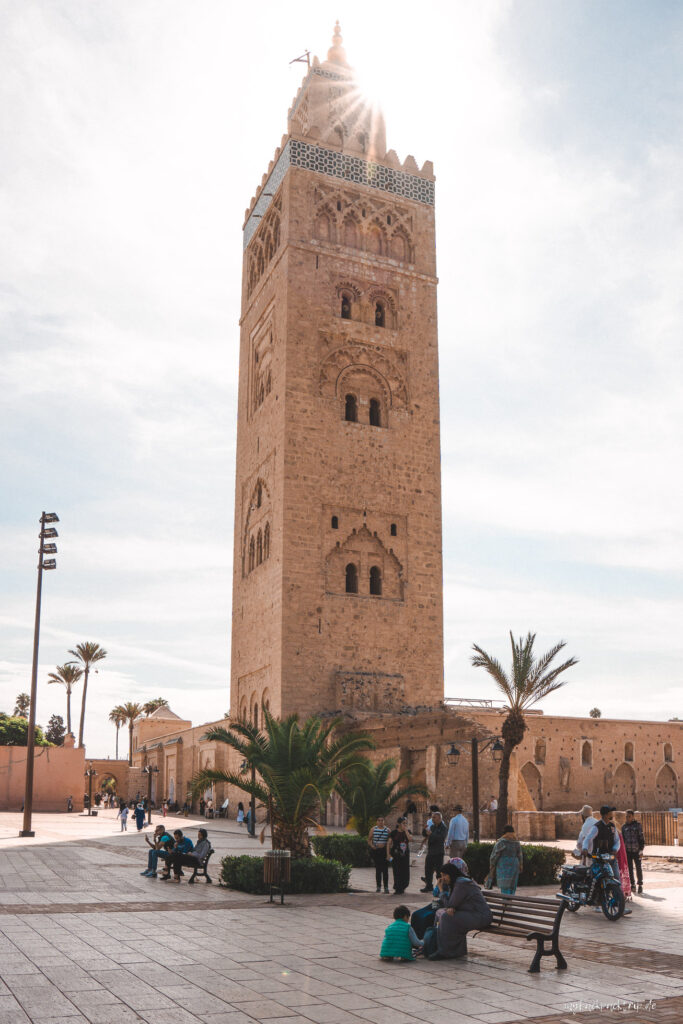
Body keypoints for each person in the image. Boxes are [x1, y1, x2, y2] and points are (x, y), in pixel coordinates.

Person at [426, 860, 492, 961]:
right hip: (470, 913)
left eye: (444, 875)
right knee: (438, 911)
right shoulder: (456, 882)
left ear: (451, 874)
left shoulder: (461, 883)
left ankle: (444, 951)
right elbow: (449, 904)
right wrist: (447, 905)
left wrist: (441, 890)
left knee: (445, 917)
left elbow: (449, 904)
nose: (442, 879)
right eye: (441, 876)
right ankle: (436, 946)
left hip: (480, 916)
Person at [582, 805, 620, 880]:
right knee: (598, 879)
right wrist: (585, 848)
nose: (612, 814)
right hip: (599, 858)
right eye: (610, 813)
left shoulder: (612, 826)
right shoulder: (596, 827)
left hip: (611, 857)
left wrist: (615, 849)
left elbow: (617, 840)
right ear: (605, 815)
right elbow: (587, 839)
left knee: (616, 879)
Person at [487, 824, 523, 895]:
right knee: (512, 887)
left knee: (505, 887)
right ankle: (510, 902)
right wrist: (521, 865)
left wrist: (492, 865)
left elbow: (495, 855)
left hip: (503, 865)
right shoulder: (516, 842)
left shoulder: (501, 842)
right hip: (514, 865)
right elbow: (520, 855)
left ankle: (505, 903)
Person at [420, 810, 447, 892]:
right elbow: (425, 835)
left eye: (434, 817)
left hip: (438, 852)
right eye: (432, 817)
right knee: (428, 869)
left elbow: (441, 838)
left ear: (439, 818)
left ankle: (439, 887)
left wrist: (431, 834)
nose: (432, 819)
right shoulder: (433, 826)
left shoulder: (443, 828)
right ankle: (428, 886)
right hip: (431, 851)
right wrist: (424, 830)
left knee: (439, 871)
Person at [388, 816, 412, 895]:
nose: (405, 825)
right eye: (403, 823)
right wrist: (387, 854)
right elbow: (389, 843)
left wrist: (406, 831)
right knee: (397, 870)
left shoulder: (407, 831)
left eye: (406, 823)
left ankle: (403, 886)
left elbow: (410, 839)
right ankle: (398, 888)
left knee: (405, 871)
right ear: (399, 824)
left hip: (405, 854)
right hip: (395, 854)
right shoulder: (394, 832)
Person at [622, 810, 645, 894]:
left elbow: (641, 838)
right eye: (626, 816)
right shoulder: (624, 827)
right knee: (630, 869)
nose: (627, 818)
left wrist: (641, 850)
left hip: (636, 850)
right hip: (628, 852)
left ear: (633, 817)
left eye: (629, 816)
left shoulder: (638, 826)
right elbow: (623, 839)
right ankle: (632, 884)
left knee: (638, 868)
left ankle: (640, 885)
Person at [368, 815, 391, 894]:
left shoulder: (387, 830)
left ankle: (386, 887)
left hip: (384, 851)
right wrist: (372, 846)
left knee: (385, 870)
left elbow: (390, 841)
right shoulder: (373, 829)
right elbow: (369, 839)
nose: (381, 822)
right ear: (377, 821)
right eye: (379, 820)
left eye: (382, 820)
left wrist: (388, 850)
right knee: (378, 870)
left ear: (384, 821)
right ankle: (378, 887)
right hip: (376, 851)